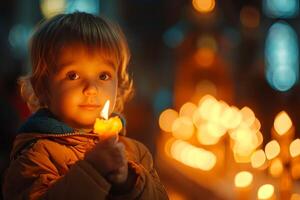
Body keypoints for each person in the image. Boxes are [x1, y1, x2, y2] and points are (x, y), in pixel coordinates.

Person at [2, 12, 169, 200]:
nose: (91, 88)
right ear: (42, 88)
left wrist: (128, 181)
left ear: (119, 84)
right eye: (73, 75)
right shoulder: (37, 156)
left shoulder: (135, 153)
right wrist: (93, 170)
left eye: (103, 76)